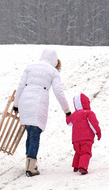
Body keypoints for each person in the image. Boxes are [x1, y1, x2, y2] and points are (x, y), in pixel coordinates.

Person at [14, 48, 71, 177]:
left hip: (24, 102)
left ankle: (29, 163)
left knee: (30, 132)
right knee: (35, 134)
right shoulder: (53, 72)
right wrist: (67, 110)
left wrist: (16, 104)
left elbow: (20, 86)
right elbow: (59, 92)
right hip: (38, 103)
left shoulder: (29, 67)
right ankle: (31, 168)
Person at [66, 93, 101, 175]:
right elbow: (94, 124)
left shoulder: (74, 115)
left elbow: (69, 123)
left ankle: (76, 166)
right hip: (86, 138)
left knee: (78, 152)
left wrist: (68, 114)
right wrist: (98, 133)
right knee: (85, 153)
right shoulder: (89, 113)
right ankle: (83, 167)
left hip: (75, 139)